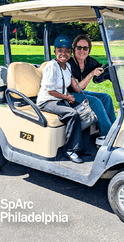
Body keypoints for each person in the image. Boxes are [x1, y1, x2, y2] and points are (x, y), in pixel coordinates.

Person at [37, 35, 88, 164]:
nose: (63, 54)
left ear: (70, 53)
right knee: (72, 114)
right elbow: (50, 91)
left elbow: (63, 86)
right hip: (47, 101)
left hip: (58, 98)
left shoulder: (67, 67)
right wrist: (67, 97)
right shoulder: (51, 66)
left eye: (67, 51)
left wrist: (68, 96)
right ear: (55, 52)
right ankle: (70, 150)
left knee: (84, 109)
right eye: (60, 50)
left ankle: (84, 146)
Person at [68, 34, 116, 136]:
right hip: (68, 95)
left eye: (85, 48)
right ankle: (107, 134)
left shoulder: (89, 61)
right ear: (74, 49)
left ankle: (115, 128)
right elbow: (76, 88)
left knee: (106, 97)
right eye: (79, 47)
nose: (82, 51)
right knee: (95, 102)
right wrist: (91, 74)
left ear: (89, 50)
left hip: (79, 93)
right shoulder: (70, 64)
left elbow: (99, 72)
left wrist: (109, 73)